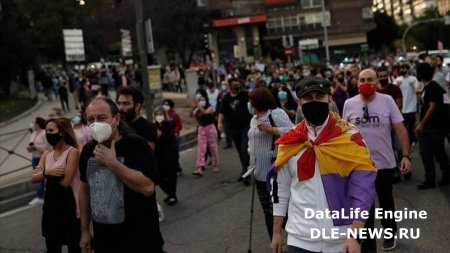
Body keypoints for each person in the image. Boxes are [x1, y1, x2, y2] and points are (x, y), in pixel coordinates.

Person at [270, 77, 377, 253]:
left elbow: (363, 189)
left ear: (329, 99)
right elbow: (281, 188)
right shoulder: (290, 140)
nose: (314, 102)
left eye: (319, 96)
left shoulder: (350, 137)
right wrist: (276, 233)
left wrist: (355, 235)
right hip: (299, 239)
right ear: (300, 103)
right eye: (308, 98)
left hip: (341, 240)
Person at [78, 97, 164, 253]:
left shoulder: (137, 145)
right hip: (104, 242)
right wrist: (84, 231)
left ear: (116, 119)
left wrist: (113, 163)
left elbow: (148, 187)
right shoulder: (87, 150)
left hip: (140, 241)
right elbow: (84, 190)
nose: (96, 123)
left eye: (102, 118)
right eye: (91, 119)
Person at [343, 69, 412, 251]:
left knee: (386, 201)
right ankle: (367, 243)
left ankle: (389, 234)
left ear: (377, 82)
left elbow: (401, 130)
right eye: (362, 79)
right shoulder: (349, 104)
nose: (366, 83)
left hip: (385, 164)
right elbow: (343, 135)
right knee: (365, 207)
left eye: (370, 79)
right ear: (356, 82)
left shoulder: (387, 101)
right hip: (359, 167)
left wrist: (405, 155)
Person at [247, 87, 292, 240]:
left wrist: (270, 129)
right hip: (258, 172)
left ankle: (297, 242)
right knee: (267, 211)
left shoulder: (276, 113)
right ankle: (275, 243)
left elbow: (292, 132)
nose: (250, 104)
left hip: (274, 172)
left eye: (251, 101)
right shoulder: (253, 118)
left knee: (279, 211)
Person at [31, 117, 81, 253]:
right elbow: (34, 178)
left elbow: (66, 182)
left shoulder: (72, 152)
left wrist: (44, 174)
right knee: (52, 246)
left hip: (69, 207)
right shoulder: (47, 154)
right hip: (51, 209)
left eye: (51, 130)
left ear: (62, 132)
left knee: (74, 246)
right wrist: (49, 172)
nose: (48, 133)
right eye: (46, 130)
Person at [414, 62, 450, 189]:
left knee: (438, 152)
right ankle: (429, 179)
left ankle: (446, 175)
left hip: (434, 126)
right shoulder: (427, 87)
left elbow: (432, 106)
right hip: (427, 126)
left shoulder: (433, 87)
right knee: (425, 153)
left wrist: (422, 123)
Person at [218, 78, 252, 184]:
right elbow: (222, 112)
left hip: (246, 127)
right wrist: (219, 123)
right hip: (233, 128)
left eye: (238, 84)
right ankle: (246, 170)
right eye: (234, 85)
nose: (237, 87)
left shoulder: (245, 95)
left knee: (244, 149)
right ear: (229, 86)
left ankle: (246, 173)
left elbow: (253, 105)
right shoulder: (226, 98)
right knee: (240, 152)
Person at [154, 106, 179, 205]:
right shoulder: (153, 126)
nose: (159, 116)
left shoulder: (168, 125)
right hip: (158, 156)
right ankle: (169, 192)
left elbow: (169, 140)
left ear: (164, 115)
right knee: (159, 177)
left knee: (171, 176)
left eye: (160, 114)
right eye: (157, 114)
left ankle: (172, 195)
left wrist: (161, 135)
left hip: (170, 155)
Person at [191, 89, 219, 176]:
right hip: (201, 128)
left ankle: (215, 165)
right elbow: (192, 114)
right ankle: (199, 168)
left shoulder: (210, 107)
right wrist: (195, 106)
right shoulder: (197, 108)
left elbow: (206, 112)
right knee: (201, 149)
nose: (201, 101)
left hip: (210, 128)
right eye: (200, 100)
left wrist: (199, 106)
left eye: (203, 100)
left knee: (213, 148)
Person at [394, 63, 420, 146]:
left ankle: (413, 140)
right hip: (402, 108)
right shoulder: (397, 80)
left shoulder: (413, 79)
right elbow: (393, 92)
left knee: (411, 126)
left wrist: (413, 87)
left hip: (411, 107)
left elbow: (417, 90)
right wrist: (397, 86)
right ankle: (408, 140)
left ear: (408, 69)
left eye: (405, 68)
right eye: (402, 68)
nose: (403, 70)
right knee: (404, 127)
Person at [26, 117, 47, 205]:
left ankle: (41, 197)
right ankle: (40, 196)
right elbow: (29, 145)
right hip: (34, 157)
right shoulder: (34, 133)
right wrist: (29, 147)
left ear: (38, 124)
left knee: (41, 177)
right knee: (38, 177)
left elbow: (46, 147)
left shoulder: (44, 133)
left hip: (42, 158)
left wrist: (35, 146)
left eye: (34, 123)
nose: (33, 125)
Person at [162, 99, 183, 175]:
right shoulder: (162, 115)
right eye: (164, 104)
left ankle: (178, 169)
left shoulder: (174, 115)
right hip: (165, 138)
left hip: (174, 138)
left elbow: (179, 126)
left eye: (167, 104)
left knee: (174, 154)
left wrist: (174, 132)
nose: (165, 106)